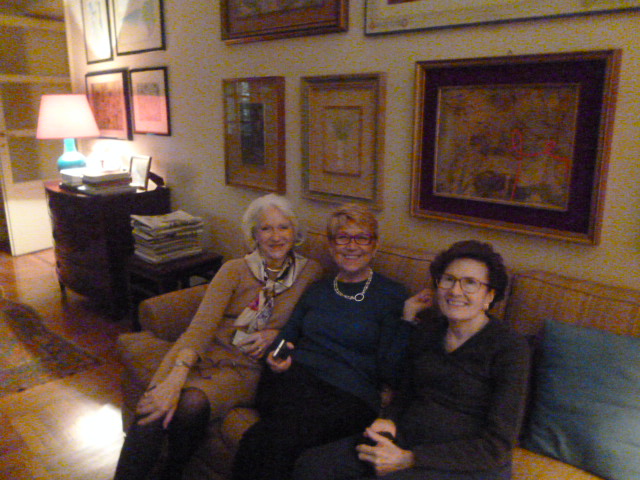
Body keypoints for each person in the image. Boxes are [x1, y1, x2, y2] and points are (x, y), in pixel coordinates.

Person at [114, 194, 323, 480]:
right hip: (204, 351)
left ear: (294, 232)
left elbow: (312, 325)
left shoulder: (310, 272)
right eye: (266, 228)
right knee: (153, 406)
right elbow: (201, 326)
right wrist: (176, 375)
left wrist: (276, 333)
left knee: (190, 404)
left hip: (246, 367)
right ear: (254, 234)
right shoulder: (234, 270)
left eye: (283, 227)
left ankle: (171, 471)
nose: (276, 237)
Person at [293, 240, 531, 480]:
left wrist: (409, 458)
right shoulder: (428, 330)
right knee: (313, 466)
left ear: (489, 296)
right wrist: (390, 422)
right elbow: (405, 392)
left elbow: (497, 446)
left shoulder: (510, 348)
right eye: (448, 279)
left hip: (465, 462)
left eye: (470, 283)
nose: (455, 291)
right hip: (406, 440)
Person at [231, 203, 414, 480]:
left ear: (374, 246)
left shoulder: (392, 295)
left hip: (349, 394)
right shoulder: (318, 289)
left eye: (361, 238)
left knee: (265, 441)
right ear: (331, 246)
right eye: (342, 238)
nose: (351, 246)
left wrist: (408, 319)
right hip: (294, 379)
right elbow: (288, 335)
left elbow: (392, 371)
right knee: (274, 440)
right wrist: (277, 357)